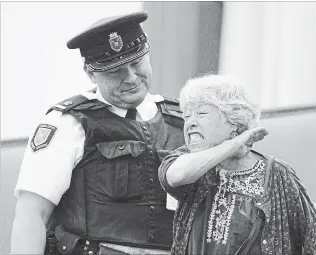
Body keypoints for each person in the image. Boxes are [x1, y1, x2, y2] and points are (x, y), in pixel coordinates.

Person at [11, 12, 185, 255]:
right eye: (116, 72)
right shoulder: (67, 124)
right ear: (91, 73)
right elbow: (32, 215)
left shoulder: (184, 121)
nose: (131, 78)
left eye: (136, 64)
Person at [158, 74, 316, 255]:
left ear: (235, 120)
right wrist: (234, 143)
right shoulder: (186, 162)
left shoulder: (277, 174)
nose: (190, 123)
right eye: (186, 116)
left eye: (201, 113)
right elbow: (176, 176)